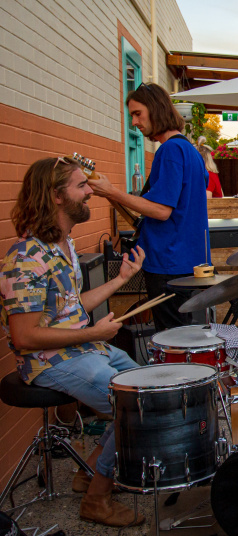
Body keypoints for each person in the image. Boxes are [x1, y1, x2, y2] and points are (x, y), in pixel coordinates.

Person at [1, 157, 146, 526]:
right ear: (56, 196)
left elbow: (71, 306)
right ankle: (97, 499)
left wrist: (121, 279)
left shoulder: (63, 244)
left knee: (147, 389)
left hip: (81, 348)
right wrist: (93, 333)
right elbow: (24, 335)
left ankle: (89, 471)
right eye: (81, 186)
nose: (89, 192)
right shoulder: (26, 258)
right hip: (48, 360)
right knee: (135, 405)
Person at [87, 83, 208, 331]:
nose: (134, 122)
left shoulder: (170, 150)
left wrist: (111, 191)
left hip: (168, 261)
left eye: (137, 113)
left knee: (172, 339)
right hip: (186, 260)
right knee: (181, 335)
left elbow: (162, 210)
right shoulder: (189, 150)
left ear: (156, 109)